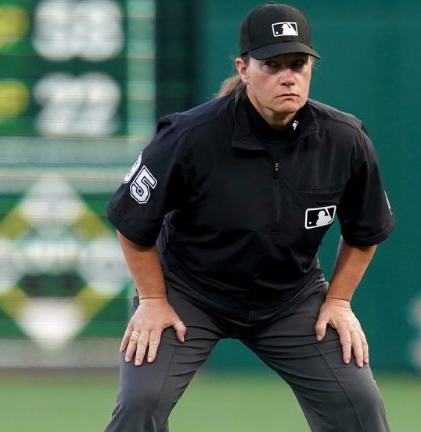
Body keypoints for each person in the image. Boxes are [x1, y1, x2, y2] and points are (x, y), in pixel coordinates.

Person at [104, 3, 395, 431]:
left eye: (297, 63)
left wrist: (338, 301)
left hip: (289, 299)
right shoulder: (190, 136)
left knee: (359, 402)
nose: (287, 76)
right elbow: (131, 222)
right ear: (243, 68)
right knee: (141, 401)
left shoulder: (344, 139)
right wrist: (151, 301)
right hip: (189, 295)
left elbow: (366, 229)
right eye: (271, 65)